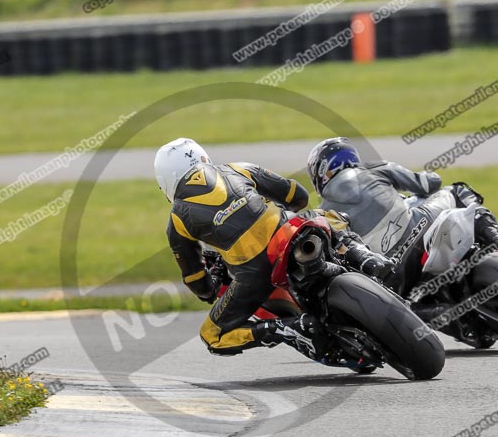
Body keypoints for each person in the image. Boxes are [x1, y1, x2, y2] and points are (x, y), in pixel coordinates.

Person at [154, 137, 388, 360]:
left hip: (254, 274)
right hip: (290, 231)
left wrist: (211, 283)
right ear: (203, 157)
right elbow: (298, 195)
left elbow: (197, 282)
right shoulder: (238, 168)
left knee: (212, 335)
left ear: (165, 181)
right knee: (321, 215)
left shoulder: (177, 220)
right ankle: (363, 255)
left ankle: (286, 327)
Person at [307, 137, 498, 297]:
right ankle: (496, 235)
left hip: (391, 274)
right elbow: (430, 183)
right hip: (421, 230)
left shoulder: (323, 213)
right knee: (457, 190)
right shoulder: (372, 168)